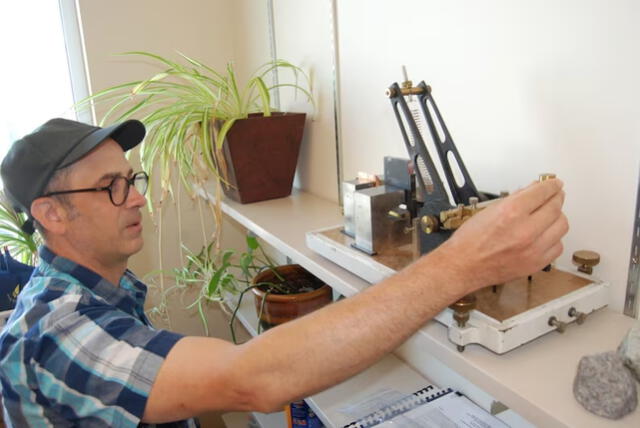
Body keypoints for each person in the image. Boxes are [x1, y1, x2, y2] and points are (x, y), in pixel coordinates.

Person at [0, 118, 567, 427]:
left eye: (133, 180)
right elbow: (253, 380)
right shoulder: (58, 331)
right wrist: (462, 263)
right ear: (50, 214)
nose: (136, 200)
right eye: (111, 187)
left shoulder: (96, 292)